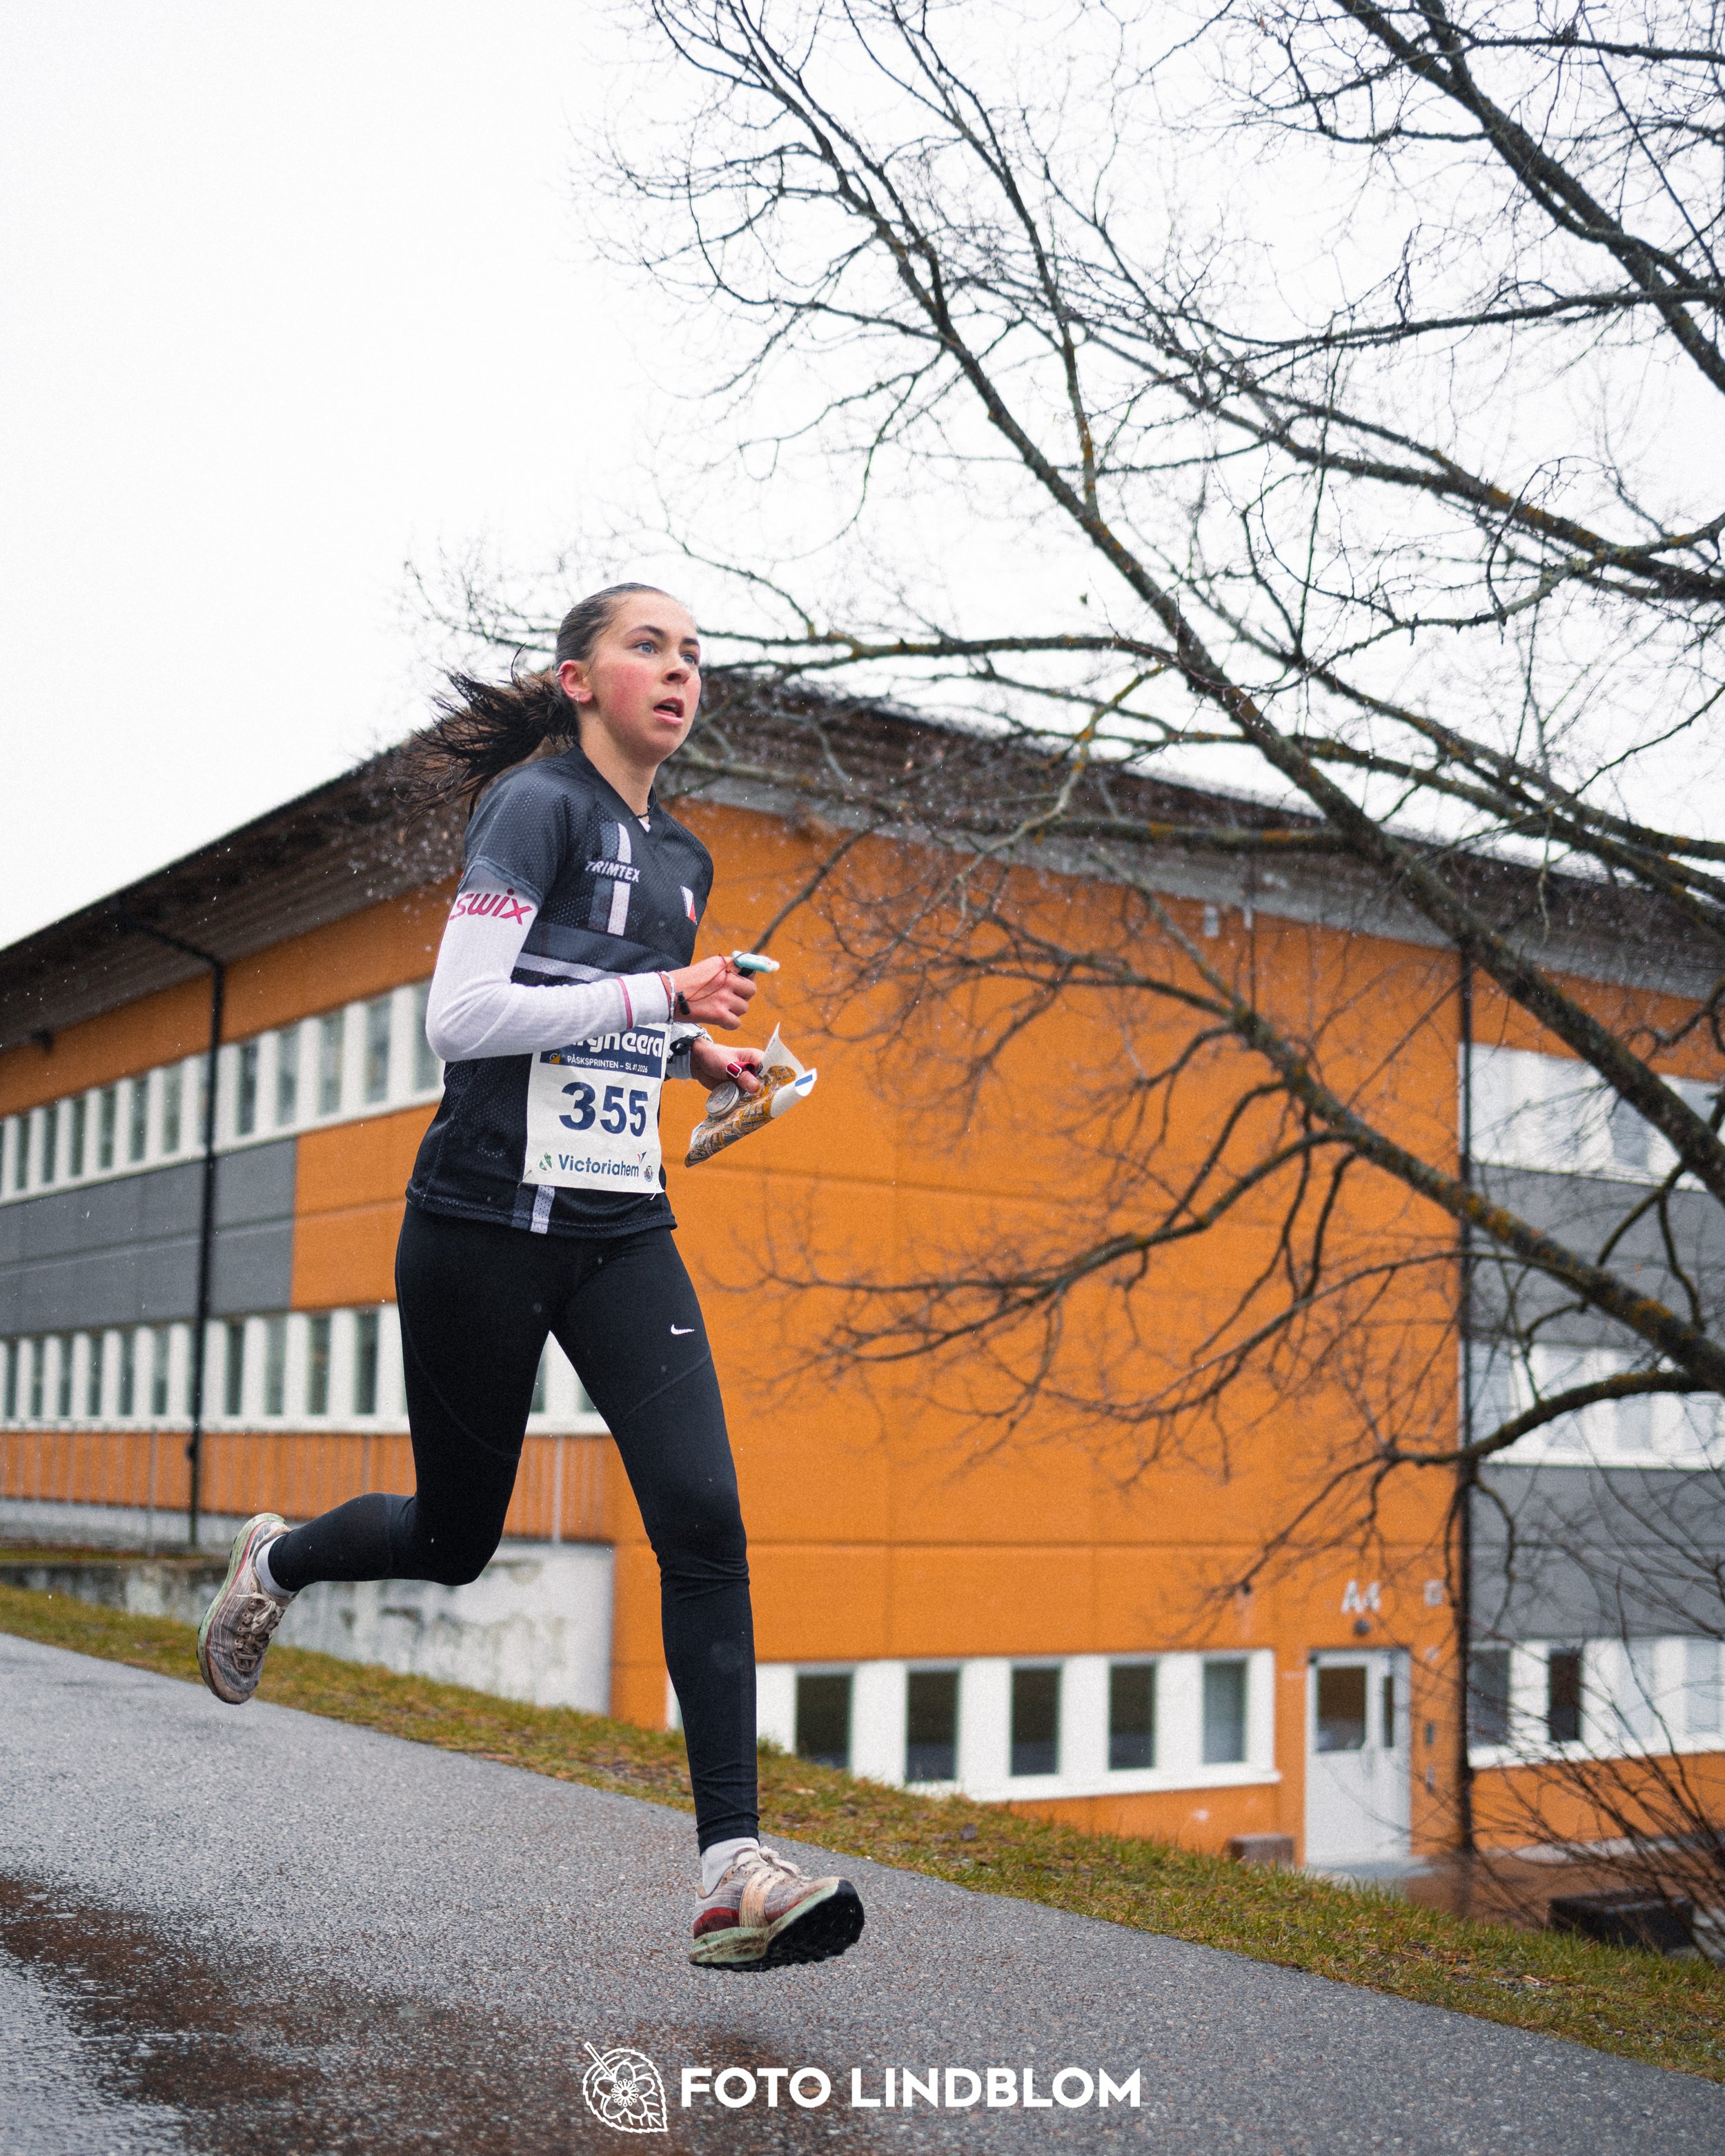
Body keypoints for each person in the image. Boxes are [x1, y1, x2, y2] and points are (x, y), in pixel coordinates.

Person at [195, 583, 864, 1972]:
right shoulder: (534, 808)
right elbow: (469, 1014)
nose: (678, 671)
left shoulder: (679, 853)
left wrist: (699, 1057)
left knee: (702, 1514)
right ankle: (279, 1558)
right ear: (576, 678)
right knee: (457, 1539)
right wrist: (663, 1000)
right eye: (647, 648)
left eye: (693, 656)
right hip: (481, 1222)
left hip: (621, 1226)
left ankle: (731, 1867)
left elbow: (602, 990)